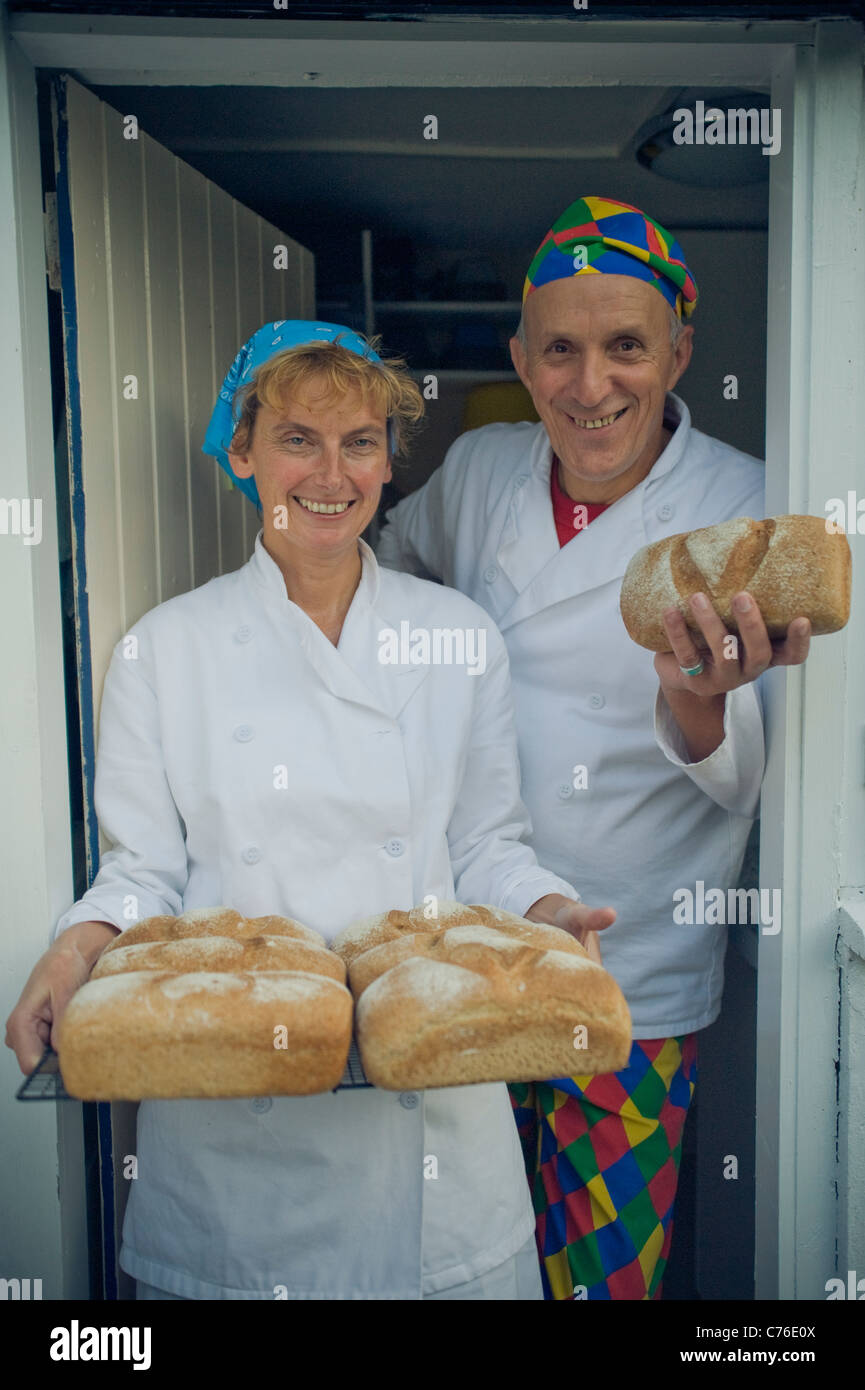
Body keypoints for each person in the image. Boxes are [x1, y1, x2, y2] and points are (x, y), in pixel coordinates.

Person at [5, 320, 614, 1302]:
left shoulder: (456, 638)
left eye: (360, 441)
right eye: (298, 439)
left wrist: (546, 915)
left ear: (385, 462)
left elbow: (488, 849)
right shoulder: (167, 650)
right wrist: (74, 950)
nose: (331, 474)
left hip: (435, 1147)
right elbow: (141, 871)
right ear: (241, 453)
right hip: (233, 1151)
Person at [376, 197, 812, 1300]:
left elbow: (741, 778)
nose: (591, 384)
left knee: (599, 1283)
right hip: (468, 946)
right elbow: (386, 575)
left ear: (679, 353)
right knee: (461, 1265)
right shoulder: (478, 470)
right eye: (559, 350)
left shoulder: (743, 503)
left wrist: (699, 695)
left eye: (626, 346)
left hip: (632, 973)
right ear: (519, 360)